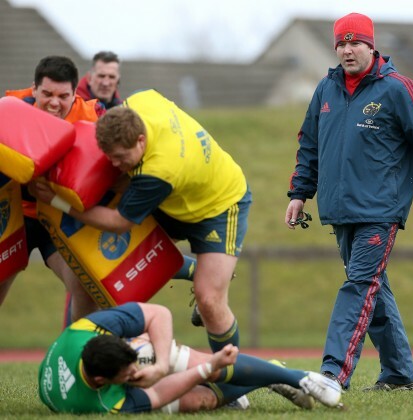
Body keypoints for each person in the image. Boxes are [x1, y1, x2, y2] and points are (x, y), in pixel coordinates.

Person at [284, 12, 413, 391]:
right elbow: (308, 145)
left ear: (371, 45)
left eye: (354, 43)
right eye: (341, 44)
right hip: (339, 210)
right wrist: (299, 194)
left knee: (358, 286)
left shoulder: (398, 88)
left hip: (380, 211)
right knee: (374, 291)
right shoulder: (325, 90)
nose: (347, 50)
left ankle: (332, 375)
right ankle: (398, 374)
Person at [33, 89, 252, 356]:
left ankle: (231, 379)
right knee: (118, 261)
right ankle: (79, 354)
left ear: (140, 140)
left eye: (121, 157)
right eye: (109, 155)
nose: (114, 163)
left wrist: (59, 201)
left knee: (210, 300)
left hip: (218, 206)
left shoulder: (158, 171)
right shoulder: (139, 102)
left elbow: (119, 222)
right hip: (176, 195)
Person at [38, 301, 342, 414]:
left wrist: (159, 364)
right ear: (104, 382)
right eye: (127, 374)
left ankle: (299, 377)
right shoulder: (102, 403)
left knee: (154, 350)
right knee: (202, 400)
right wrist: (209, 367)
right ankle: (270, 374)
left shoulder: (84, 330)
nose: (133, 373)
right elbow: (156, 395)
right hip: (101, 383)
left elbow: (158, 313)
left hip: (104, 356)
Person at [2, 56, 105, 319]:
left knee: (86, 289)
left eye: (63, 95)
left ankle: (76, 352)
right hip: (15, 217)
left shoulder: (95, 119)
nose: (54, 102)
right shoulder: (10, 113)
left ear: (75, 93)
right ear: (34, 89)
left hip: (58, 220)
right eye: (46, 94)